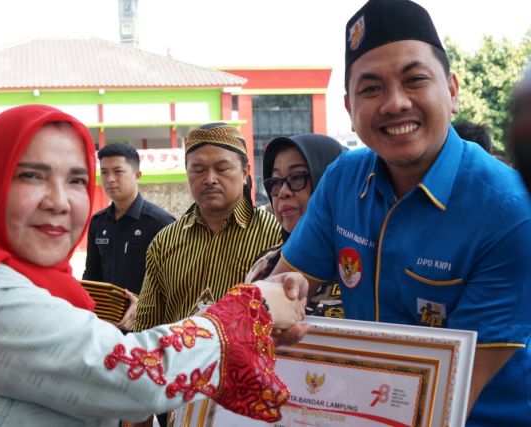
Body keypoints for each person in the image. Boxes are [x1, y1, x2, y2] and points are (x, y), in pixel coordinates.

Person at [0, 105, 309, 426]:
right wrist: (252, 308)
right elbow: (132, 372)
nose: (59, 201)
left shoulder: (31, 283)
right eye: (31, 176)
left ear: (245, 172)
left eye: (76, 180)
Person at [270, 1, 531, 425]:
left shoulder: (510, 212)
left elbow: (451, 399)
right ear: (349, 108)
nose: (394, 104)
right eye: (371, 88)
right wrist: (276, 300)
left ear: (452, 90)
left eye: (415, 80)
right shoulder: (343, 180)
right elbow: (279, 290)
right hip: (366, 404)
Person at [135, 123, 281, 331]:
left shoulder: (276, 236)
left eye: (222, 169)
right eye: (198, 170)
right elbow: (147, 325)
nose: (210, 179)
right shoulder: (164, 242)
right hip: (178, 352)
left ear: (245, 172)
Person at [246, 134, 346, 318]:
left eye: (297, 177)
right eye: (275, 182)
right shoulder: (266, 265)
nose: (283, 192)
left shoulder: (364, 263)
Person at [83, 143, 174, 331]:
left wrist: (144, 304)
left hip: (148, 325)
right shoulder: (98, 222)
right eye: (104, 172)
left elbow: (176, 282)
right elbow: (92, 273)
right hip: (106, 324)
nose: (110, 179)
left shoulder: (161, 223)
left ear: (137, 175)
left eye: (118, 171)